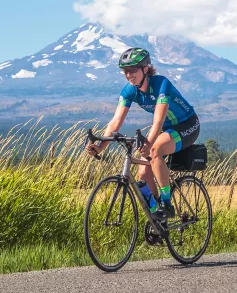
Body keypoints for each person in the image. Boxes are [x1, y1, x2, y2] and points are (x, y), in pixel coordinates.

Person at [85, 47, 200, 220]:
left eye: (132, 70)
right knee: (143, 173)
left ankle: (166, 203)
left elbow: (158, 121)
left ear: (145, 69)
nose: (129, 75)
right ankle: (158, 217)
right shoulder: (129, 91)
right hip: (167, 129)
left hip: (187, 125)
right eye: (125, 71)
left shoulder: (162, 84)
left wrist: (148, 143)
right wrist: (101, 147)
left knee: (155, 150)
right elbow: (115, 121)